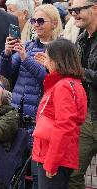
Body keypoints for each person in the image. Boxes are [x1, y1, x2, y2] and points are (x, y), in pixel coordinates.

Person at [0, 4, 63, 188]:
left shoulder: (59, 50)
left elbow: (48, 81)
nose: (36, 24)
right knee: (13, 171)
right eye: (34, 20)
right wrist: (6, 54)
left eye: (41, 21)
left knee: (37, 174)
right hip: (18, 117)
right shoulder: (27, 45)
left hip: (40, 122)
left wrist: (26, 59)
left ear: (54, 23)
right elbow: (6, 74)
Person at [32, 38, 87, 189]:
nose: (47, 62)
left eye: (49, 59)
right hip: (58, 155)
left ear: (57, 60)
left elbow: (64, 125)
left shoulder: (63, 86)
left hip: (53, 155)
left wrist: (51, 162)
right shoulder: (72, 83)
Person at [68, 0, 97, 188]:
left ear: (95, 8)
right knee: (72, 176)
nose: (73, 14)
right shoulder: (80, 37)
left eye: (78, 9)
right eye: (71, 10)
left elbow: (79, 71)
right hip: (86, 117)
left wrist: (78, 71)